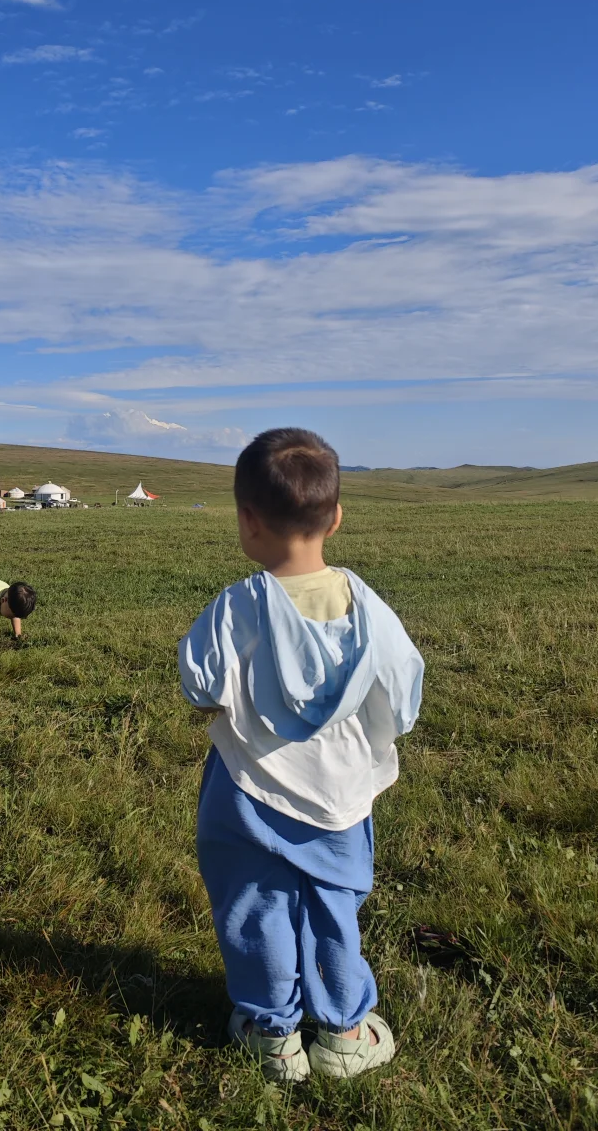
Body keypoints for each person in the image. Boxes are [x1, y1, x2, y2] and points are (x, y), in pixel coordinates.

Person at [178, 428, 424, 1082]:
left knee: (255, 907)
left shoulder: (235, 607)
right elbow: (402, 697)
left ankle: (272, 1037)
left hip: (245, 787)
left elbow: (201, 686)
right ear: (335, 517)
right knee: (333, 907)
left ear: (247, 520)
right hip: (341, 793)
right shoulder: (370, 608)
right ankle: (344, 1032)